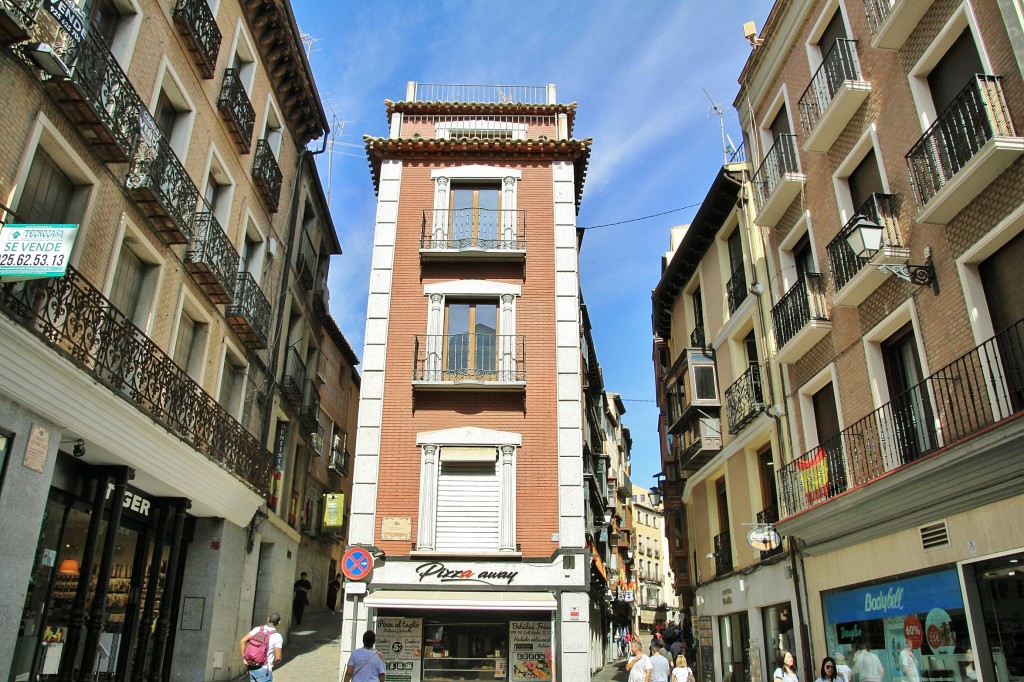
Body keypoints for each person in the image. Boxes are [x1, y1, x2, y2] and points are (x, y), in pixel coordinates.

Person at [239, 612, 283, 681]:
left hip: (252, 667)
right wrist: (274, 663)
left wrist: (244, 658)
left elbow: (242, 641)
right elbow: (278, 658)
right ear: (279, 622)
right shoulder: (277, 637)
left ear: (268, 619)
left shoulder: (257, 629)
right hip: (265, 670)